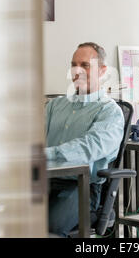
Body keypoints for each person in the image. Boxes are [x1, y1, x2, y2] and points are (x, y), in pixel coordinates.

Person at [45, 42, 124, 237]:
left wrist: (44, 154)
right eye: (74, 64)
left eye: (85, 65)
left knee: (49, 230)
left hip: (80, 187)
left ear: (102, 70)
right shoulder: (55, 106)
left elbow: (87, 149)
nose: (77, 71)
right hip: (44, 181)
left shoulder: (109, 111)